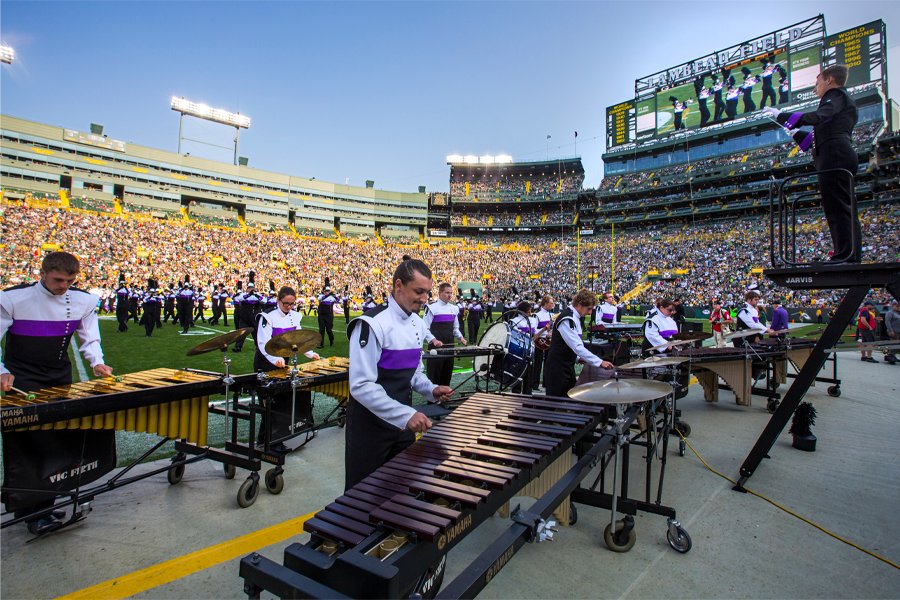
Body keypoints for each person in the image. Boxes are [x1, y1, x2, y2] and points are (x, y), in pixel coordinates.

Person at [0, 252, 115, 535]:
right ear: (43, 273)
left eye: (70, 280)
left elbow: (90, 337)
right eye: (58, 280)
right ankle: (33, 510)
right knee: (26, 444)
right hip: (21, 378)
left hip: (58, 376)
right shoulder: (12, 299)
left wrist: (97, 362)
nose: (64, 285)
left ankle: (41, 507)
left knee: (55, 441)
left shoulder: (83, 301)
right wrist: (0, 370)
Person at [344, 257, 452, 490]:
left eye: (427, 292)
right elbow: (361, 385)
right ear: (398, 286)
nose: (424, 299)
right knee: (362, 496)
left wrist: (431, 389)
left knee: (402, 490)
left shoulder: (418, 323)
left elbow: (414, 373)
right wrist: (405, 415)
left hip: (403, 426)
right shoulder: (371, 324)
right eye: (419, 291)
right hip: (370, 428)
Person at [766, 64, 860, 262]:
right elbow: (820, 138)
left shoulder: (835, 96)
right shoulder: (837, 101)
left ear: (829, 80)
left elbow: (819, 117)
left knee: (839, 209)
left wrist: (783, 117)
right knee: (837, 207)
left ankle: (846, 255)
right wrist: (795, 132)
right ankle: (846, 253)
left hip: (835, 155)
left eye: (817, 82)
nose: (815, 88)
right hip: (834, 152)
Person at [254, 286, 321, 452]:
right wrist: (274, 359)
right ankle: (273, 442)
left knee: (280, 401)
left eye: (292, 304)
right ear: (278, 301)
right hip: (266, 363)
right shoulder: (267, 317)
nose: (290, 307)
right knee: (272, 403)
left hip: (282, 363)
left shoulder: (294, 317)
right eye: (286, 304)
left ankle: (265, 439)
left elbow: (299, 340)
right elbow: (262, 343)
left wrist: (310, 353)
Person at [544, 289, 613, 399]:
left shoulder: (575, 318)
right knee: (556, 407)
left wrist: (577, 358)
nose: (590, 312)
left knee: (570, 402)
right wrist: (599, 362)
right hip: (558, 369)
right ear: (580, 305)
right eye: (589, 308)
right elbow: (577, 346)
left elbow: (567, 345)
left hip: (567, 366)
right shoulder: (567, 318)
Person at [423, 282, 466, 387]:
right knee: (434, 378)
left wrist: (460, 337)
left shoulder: (454, 309)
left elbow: (455, 328)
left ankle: (444, 400)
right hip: (435, 350)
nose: (450, 295)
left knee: (446, 377)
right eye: (447, 292)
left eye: (451, 293)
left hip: (450, 348)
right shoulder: (432, 308)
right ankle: (432, 402)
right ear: (440, 293)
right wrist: (434, 340)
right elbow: (424, 328)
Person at [532, 295, 555, 391]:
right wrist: (545, 330)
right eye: (551, 303)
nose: (553, 304)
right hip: (539, 342)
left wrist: (550, 332)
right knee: (537, 364)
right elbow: (534, 330)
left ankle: (546, 383)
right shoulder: (537, 315)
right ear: (545, 304)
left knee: (548, 363)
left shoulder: (550, 315)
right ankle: (534, 385)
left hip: (548, 341)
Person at [883, 300, 899, 365]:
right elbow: (887, 322)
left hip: (898, 332)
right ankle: (890, 358)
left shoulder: (898, 313)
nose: (898, 307)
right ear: (893, 306)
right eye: (896, 306)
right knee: (893, 345)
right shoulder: (890, 313)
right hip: (893, 331)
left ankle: (893, 356)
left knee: (896, 345)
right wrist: (890, 330)